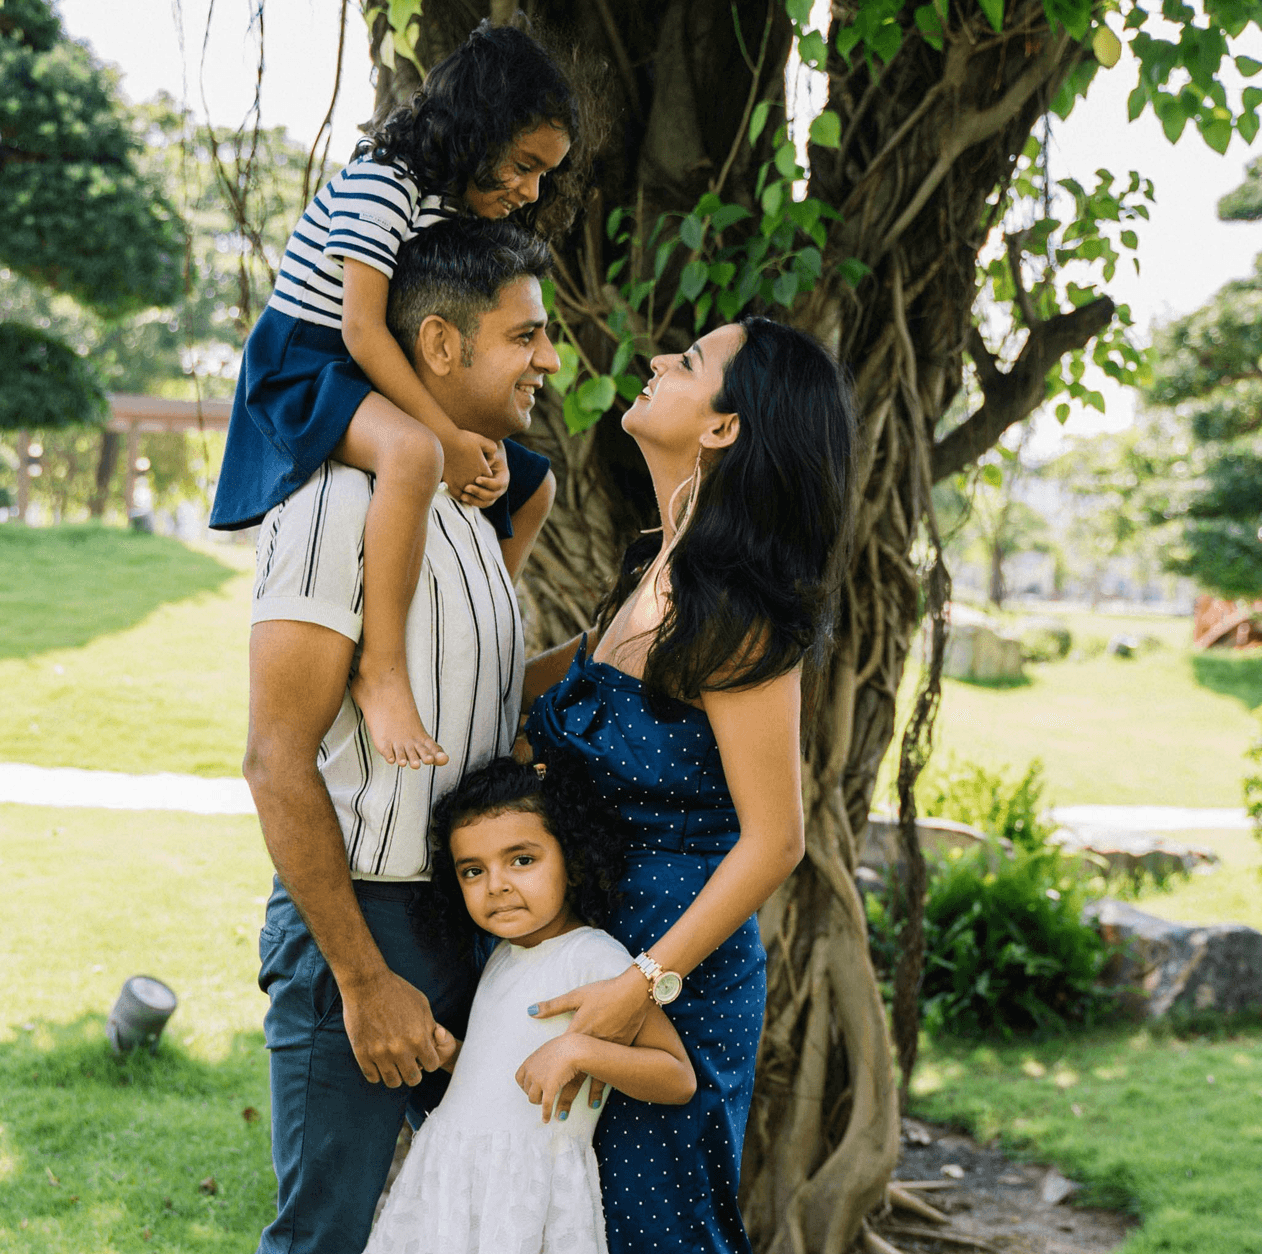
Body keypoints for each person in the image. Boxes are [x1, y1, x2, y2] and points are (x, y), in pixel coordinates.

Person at [243, 217, 560, 1254]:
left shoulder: (473, 509)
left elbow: (484, 707)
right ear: (437, 345)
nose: (548, 361)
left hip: (476, 919)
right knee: (324, 1238)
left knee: (473, 1223)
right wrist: (363, 979)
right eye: (525, 336)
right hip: (361, 923)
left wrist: (632, 644)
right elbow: (275, 758)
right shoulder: (344, 501)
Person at [521, 318, 857, 1253]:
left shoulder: (738, 609)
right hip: (583, 951)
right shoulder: (651, 566)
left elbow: (776, 839)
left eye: (691, 363)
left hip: (671, 981)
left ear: (722, 428)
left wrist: (644, 983)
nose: (661, 362)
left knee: (650, 1227)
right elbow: (523, 689)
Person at [213, 21, 582, 771]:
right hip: (307, 367)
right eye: (522, 164)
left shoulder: (450, 206)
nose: (531, 189)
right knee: (413, 453)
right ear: (478, 129)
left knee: (531, 483)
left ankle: (475, 644)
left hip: (361, 364)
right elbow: (361, 332)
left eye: (545, 174)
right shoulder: (384, 184)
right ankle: (383, 668)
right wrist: (445, 435)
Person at [364, 755, 695, 1254]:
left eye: (522, 860)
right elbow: (510, 1073)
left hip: (525, 1192)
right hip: (452, 1174)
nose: (496, 884)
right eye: (473, 871)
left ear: (572, 855)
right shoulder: (502, 954)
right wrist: (458, 1055)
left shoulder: (595, 957)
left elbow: (677, 1077)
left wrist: (579, 1052)